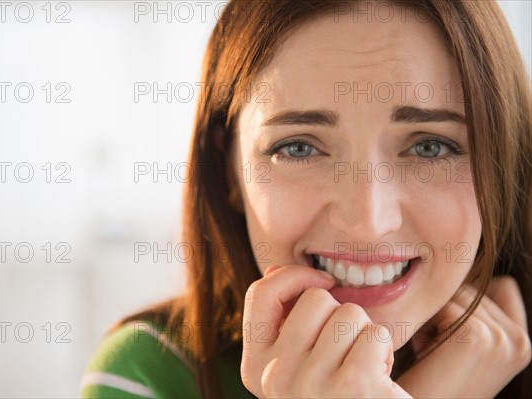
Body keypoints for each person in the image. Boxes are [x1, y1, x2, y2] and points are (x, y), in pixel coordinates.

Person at [81, 0, 532, 397]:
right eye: (298, 148)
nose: (367, 221)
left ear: (507, 159)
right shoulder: (150, 375)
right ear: (229, 172)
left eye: (430, 146)